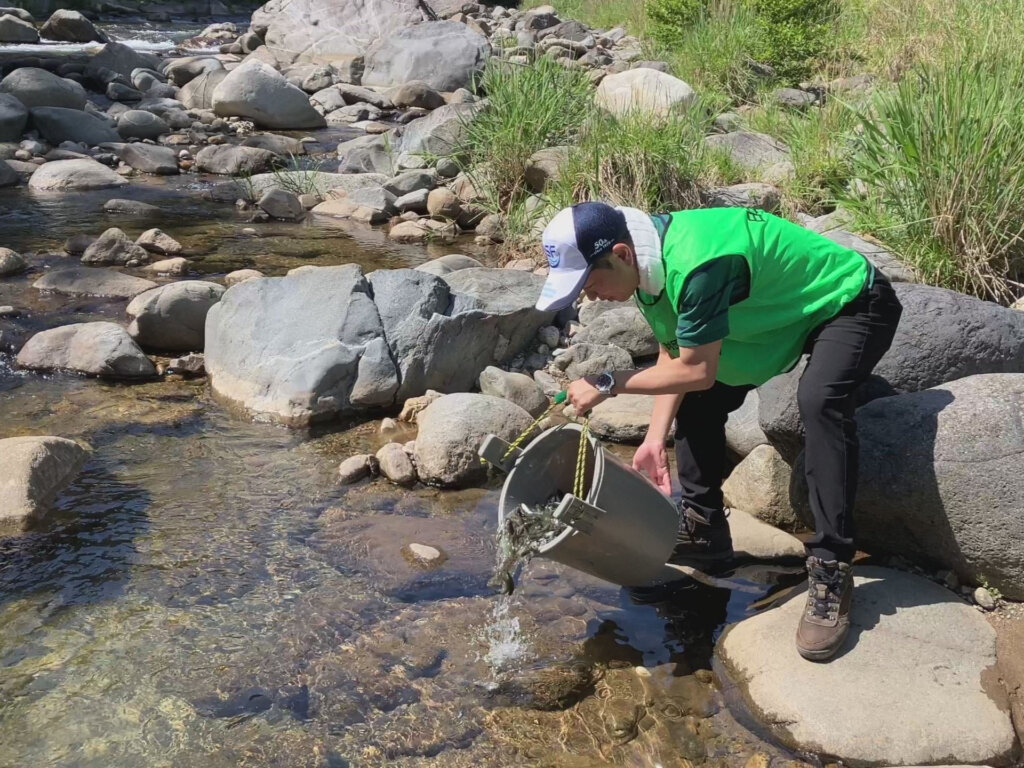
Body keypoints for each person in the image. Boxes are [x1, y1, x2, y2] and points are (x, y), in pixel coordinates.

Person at [535, 201, 902, 662]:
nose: (591, 298)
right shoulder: (649, 267)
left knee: (820, 402)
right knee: (701, 404)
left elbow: (698, 371)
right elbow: (676, 356)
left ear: (622, 254)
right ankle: (705, 532)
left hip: (850, 301)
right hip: (777, 312)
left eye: (590, 283)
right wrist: (654, 437)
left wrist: (608, 383)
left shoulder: (700, 265)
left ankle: (832, 567)